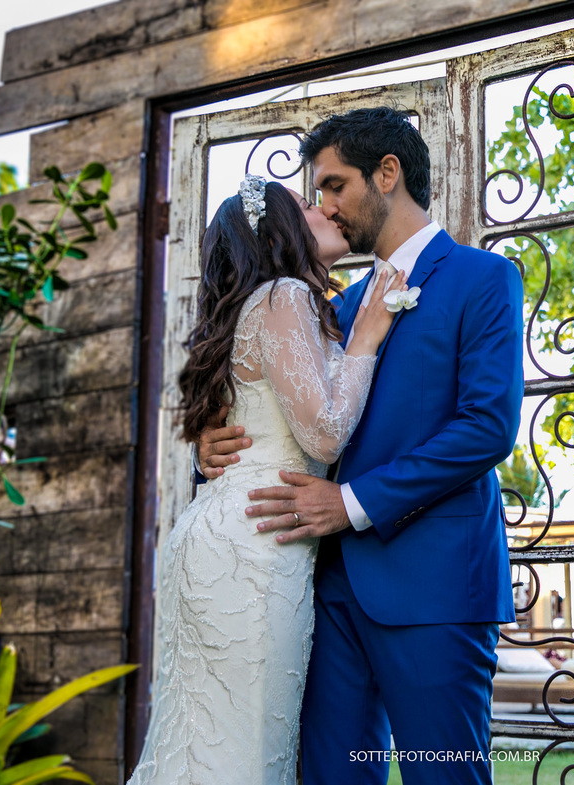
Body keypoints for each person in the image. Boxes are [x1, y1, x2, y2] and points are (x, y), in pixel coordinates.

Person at [197, 107, 525, 784]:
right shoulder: (329, 307)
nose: (325, 206)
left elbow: (487, 426)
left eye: (334, 186)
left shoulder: (482, 279)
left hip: (435, 591)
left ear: (387, 174)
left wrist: (350, 502)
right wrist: (213, 442)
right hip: (322, 597)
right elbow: (283, 406)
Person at [129, 176, 405, 784]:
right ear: (281, 228)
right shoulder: (283, 297)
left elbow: (255, 421)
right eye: (307, 204)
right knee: (246, 747)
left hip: (229, 534)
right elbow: (326, 434)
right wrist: (365, 338)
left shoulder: (266, 305)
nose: (323, 208)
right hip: (255, 545)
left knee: (206, 741)